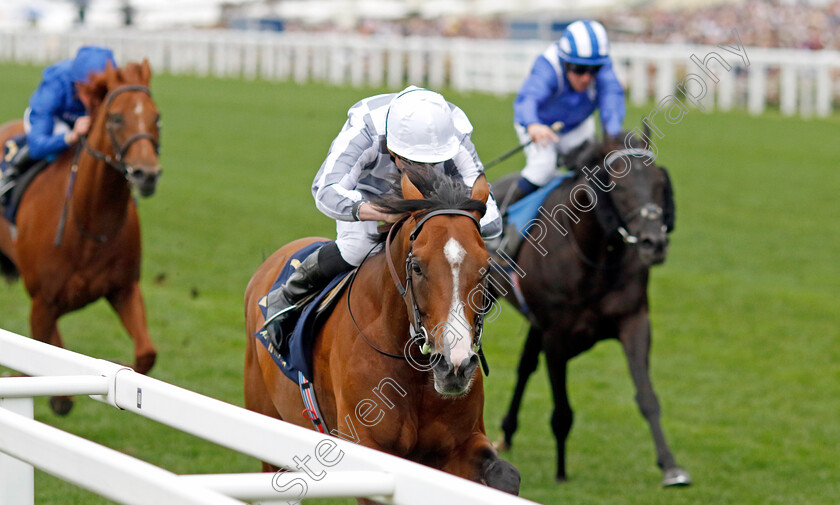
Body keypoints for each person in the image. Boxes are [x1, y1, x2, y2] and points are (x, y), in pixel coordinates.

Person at [264, 85, 502, 333]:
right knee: (356, 248)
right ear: (391, 148)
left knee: (450, 253)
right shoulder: (365, 129)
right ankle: (289, 295)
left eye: (432, 162)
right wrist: (383, 212)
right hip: (366, 193)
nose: (423, 172)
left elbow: (492, 219)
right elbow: (326, 190)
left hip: (431, 202)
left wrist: (452, 218)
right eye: (413, 162)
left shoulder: (454, 134)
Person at [509, 19, 625, 204]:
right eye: (579, 69)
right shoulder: (548, 66)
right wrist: (533, 124)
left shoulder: (604, 67)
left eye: (594, 70)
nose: (587, 77)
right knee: (543, 167)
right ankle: (504, 213)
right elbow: (528, 99)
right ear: (564, 62)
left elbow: (612, 99)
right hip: (541, 125)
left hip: (577, 125)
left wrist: (612, 134)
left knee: (593, 167)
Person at [0, 45, 116, 199]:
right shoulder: (55, 85)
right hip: (55, 120)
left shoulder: (109, 85)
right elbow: (37, 146)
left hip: (80, 120)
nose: (97, 101)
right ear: (77, 85)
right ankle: (11, 173)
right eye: (91, 94)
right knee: (57, 146)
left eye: (103, 94)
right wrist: (71, 136)